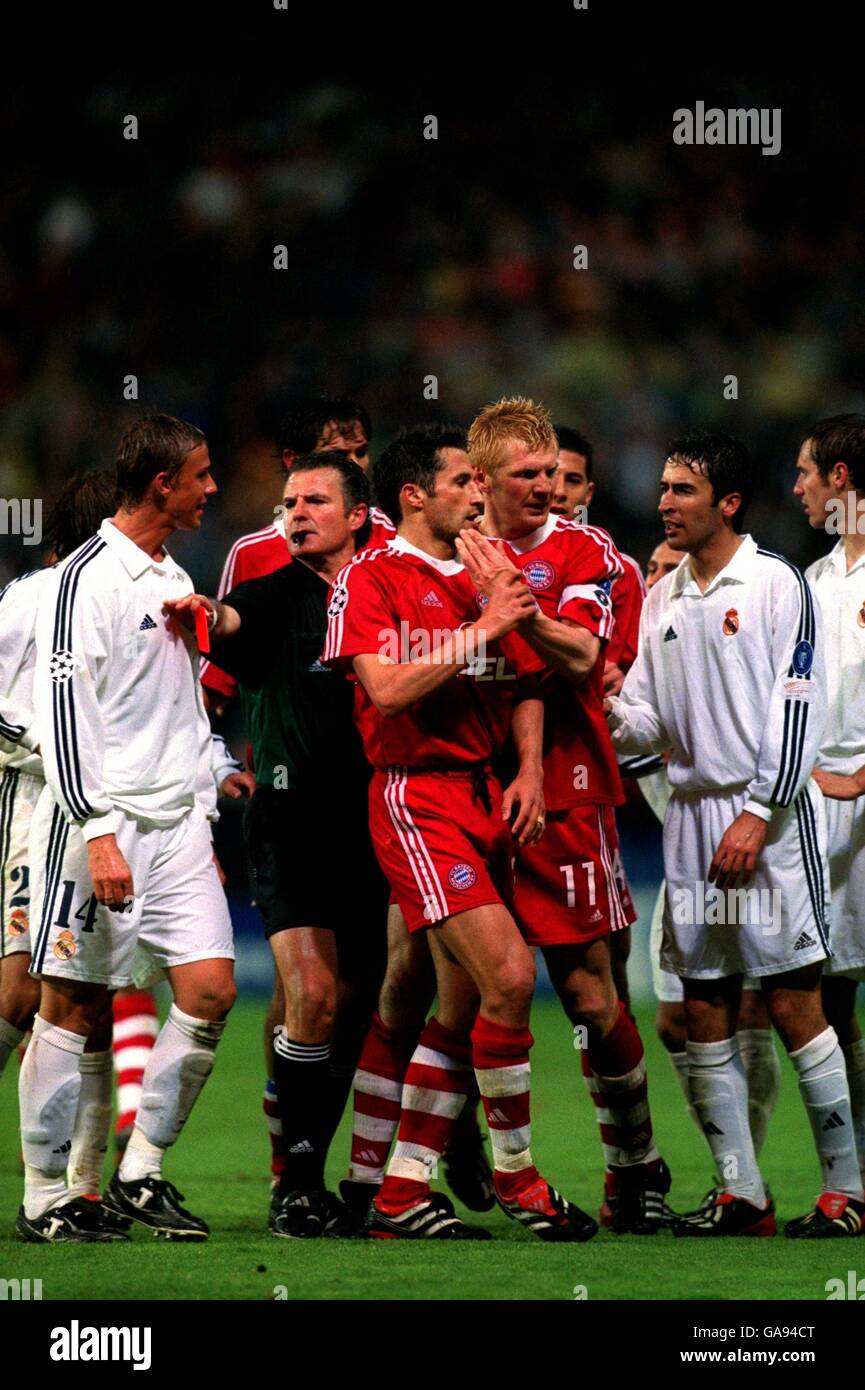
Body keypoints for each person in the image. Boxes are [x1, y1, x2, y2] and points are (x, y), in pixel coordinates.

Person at [325, 422, 596, 1241]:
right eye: (462, 485)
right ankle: (516, 1173)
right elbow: (388, 689)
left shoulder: (486, 570)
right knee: (511, 976)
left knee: (459, 998)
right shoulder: (369, 578)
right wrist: (485, 623)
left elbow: (528, 679)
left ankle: (399, 1188)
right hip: (417, 797)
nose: (480, 496)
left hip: (484, 794)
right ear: (415, 495)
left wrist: (526, 770)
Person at [607, 430, 864, 1237]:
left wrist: (759, 810)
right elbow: (647, 725)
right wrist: (604, 706)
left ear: (725, 502)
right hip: (689, 822)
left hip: (772, 824)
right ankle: (740, 1194)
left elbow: (798, 709)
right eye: (661, 489)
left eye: (681, 490)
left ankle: (846, 1191)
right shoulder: (663, 597)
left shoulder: (774, 583)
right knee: (704, 1003)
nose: (662, 505)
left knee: (793, 1000)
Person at [18, 414, 237, 1243]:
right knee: (70, 1006)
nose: (212, 488)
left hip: (178, 827)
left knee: (210, 990)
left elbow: (175, 709)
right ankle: (45, 1196)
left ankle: (138, 1174)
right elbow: (65, 718)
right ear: (162, 486)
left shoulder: (168, 574)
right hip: (97, 827)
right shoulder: (84, 582)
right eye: (202, 475)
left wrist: (206, 791)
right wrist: (99, 831)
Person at [464, 398, 674, 1233]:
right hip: (461, 796)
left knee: (592, 997)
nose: (548, 488)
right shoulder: (447, 550)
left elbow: (585, 655)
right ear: (482, 482)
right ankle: (434, 1173)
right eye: (529, 475)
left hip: (568, 790)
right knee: (458, 997)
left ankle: (634, 1164)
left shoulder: (589, 553)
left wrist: (510, 606)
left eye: (555, 473)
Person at [166, 452, 389, 1237]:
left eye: (314, 501)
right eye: (288, 501)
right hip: (289, 823)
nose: (294, 513)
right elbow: (228, 625)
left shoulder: (388, 591)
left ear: (358, 514)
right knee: (314, 998)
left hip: (376, 828)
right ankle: (294, 1181)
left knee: (358, 1008)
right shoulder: (268, 594)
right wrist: (204, 611)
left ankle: (329, 1171)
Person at [627, 537, 780, 1208]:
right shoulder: (651, 648)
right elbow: (637, 744)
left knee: (751, 1006)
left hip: (750, 841)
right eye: (653, 570)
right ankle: (735, 1172)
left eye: (670, 567)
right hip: (685, 854)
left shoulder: (741, 616)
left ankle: (740, 1181)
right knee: (673, 1022)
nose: (662, 578)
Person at [795, 413, 865, 1186]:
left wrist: (858, 776)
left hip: (856, 795)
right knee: (829, 996)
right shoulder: (811, 582)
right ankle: (850, 1185)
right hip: (823, 814)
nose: (799, 488)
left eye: (806, 473)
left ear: (839, 478)